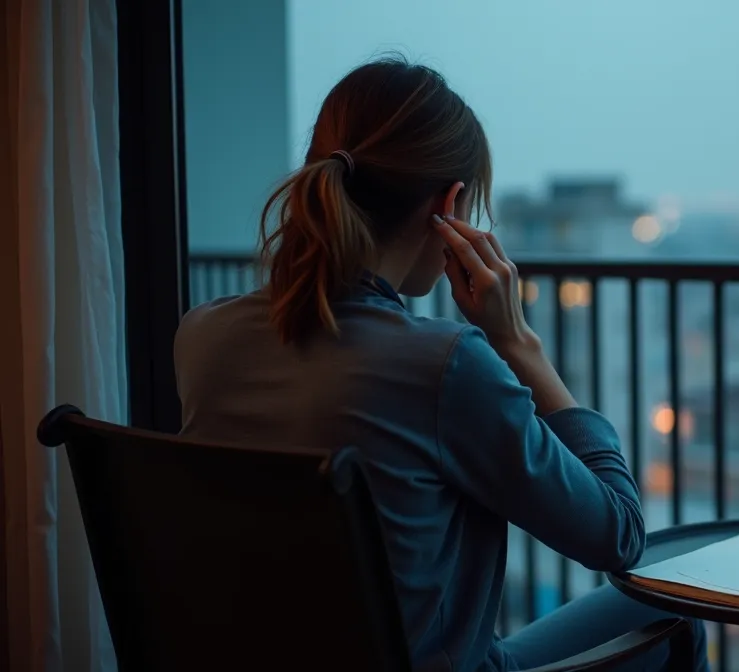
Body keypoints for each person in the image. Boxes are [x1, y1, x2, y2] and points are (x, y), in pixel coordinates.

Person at [173, 56, 708, 672]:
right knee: (675, 611)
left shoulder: (203, 334)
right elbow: (619, 536)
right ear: (448, 205)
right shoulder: (445, 365)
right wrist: (517, 342)